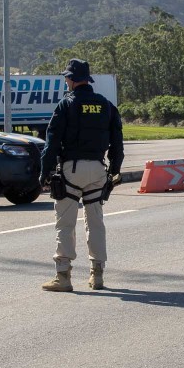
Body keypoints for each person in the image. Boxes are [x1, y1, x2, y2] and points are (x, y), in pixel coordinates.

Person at [40, 59, 124, 292]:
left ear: (71, 79)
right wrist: (114, 171)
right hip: (97, 169)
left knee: (65, 223)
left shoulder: (66, 105)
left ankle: (63, 276)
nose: (65, 81)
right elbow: (117, 143)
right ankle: (97, 275)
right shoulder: (106, 105)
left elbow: (51, 142)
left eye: (66, 77)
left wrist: (44, 172)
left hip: (71, 170)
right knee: (95, 222)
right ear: (88, 79)